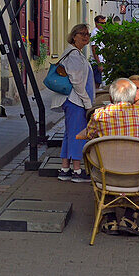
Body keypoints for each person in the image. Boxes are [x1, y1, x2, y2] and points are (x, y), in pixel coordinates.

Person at [77, 78, 139, 236]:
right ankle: (129, 218)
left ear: (111, 98)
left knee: (102, 164)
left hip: (107, 178)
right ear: (133, 97)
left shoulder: (99, 114)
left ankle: (110, 219)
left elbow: (89, 134)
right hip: (138, 178)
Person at [46, 23, 94, 183]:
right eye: (82, 33)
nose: (86, 36)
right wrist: (88, 103)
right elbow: (77, 82)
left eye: (88, 34)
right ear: (74, 36)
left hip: (72, 100)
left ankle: (65, 168)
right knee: (77, 135)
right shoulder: (74, 55)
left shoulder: (75, 53)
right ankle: (77, 171)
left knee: (69, 134)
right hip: (75, 100)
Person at [89, 15, 107, 87]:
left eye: (104, 23)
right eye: (101, 23)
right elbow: (94, 49)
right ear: (96, 23)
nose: (103, 25)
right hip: (97, 62)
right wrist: (99, 63)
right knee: (97, 83)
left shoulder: (101, 32)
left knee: (101, 83)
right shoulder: (95, 33)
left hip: (102, 61)